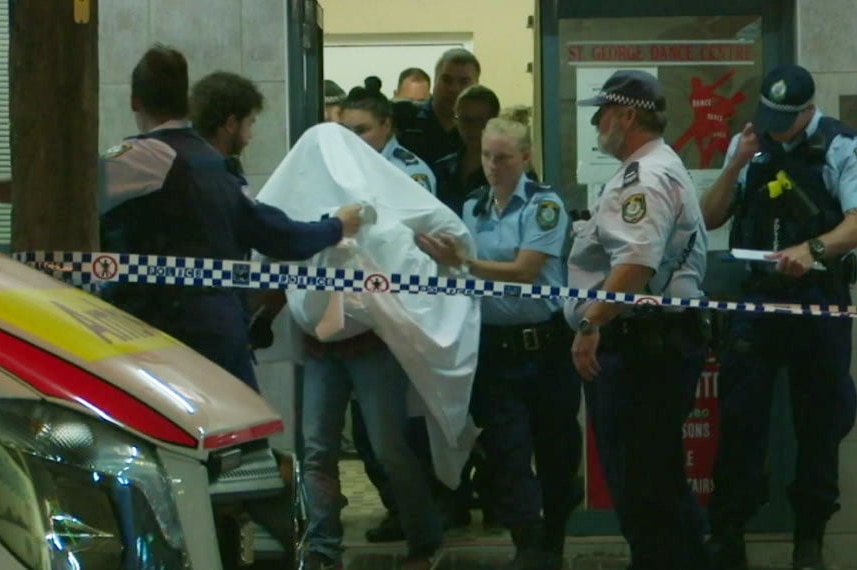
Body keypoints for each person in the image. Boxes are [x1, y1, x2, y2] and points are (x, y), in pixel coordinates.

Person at [97, 45, 363, 393]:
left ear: (134, 101)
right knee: (241, 430)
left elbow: (61, 192)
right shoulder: (215, 167)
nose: (251, 134)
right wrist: (336, 226)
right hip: (218, 327)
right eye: (250, 123)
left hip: (157, 331)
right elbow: (275, 233)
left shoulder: (139, 158)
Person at [700, 64, 857, 570]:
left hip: (819, 305)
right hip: (756, 307)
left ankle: (809, 537)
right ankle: (728, 533)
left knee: (819, 425)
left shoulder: (839, 146)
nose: (773, 127)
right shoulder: (750, 143)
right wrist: (734, 164)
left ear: (809, 112)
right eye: (768, 116)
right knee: (742, 423)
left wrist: (813, 249)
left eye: (785, 119)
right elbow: (710, 217)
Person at [416, 117, 581, 570]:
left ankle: (553, 542)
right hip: (493, 350)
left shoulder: (544, 205)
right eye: (487, 155)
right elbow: (458, 271)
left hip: (545, 349)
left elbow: (527, 269)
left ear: (525, 157)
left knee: (556, 452)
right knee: (507, 454)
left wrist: (466, 262)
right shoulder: (473, 207)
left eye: (504, 157)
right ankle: (529, 545)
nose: (493, 165)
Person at [565, 70, 711, 570]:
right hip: (649, 342)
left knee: (644, 482)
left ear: (627, 115)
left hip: (642, 346)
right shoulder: (652, 168)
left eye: (602, 112)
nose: (595, 121)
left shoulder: (644, 176)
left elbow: (636, 263)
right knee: (650, 478)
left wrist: (591, 324)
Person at [339, 76, 436, 194]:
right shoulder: (338, 164)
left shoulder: (410, 173)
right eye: (346, 130)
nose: (352, 137)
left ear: (386, 125)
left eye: (361, 130)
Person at [393, 48, 481, 167]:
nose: (454, 89)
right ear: (435, 81)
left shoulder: (480, 131)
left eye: (464, 81)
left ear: (476, 86)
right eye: (446, 80)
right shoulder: (405, 121)